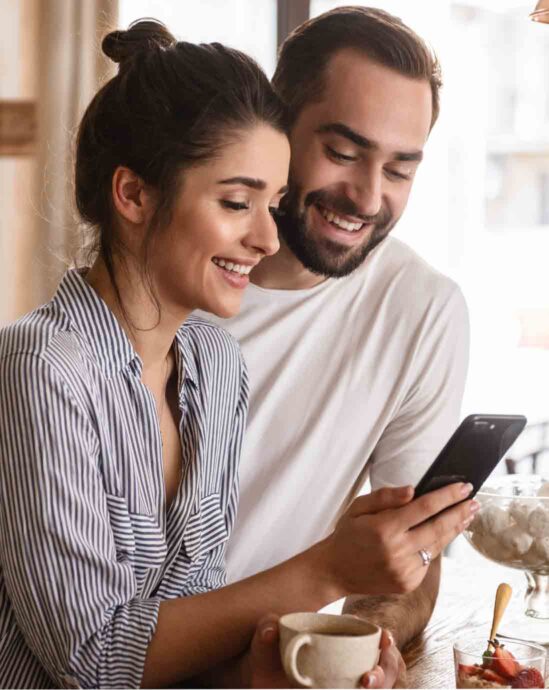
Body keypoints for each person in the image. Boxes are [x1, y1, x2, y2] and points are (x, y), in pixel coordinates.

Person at [0, 17, 474, 690]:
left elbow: (190, 626)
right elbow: (94, 660)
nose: (264, 237)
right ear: (133, 194)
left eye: (270, 203)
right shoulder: (42, 369)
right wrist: (331, 568)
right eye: (235, 202)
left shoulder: (215, 365)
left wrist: (279, 667)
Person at [197, 5, 472, 685]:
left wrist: (360, 648)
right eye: (343, 153)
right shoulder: (176, 280)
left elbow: (407, 565)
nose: (367, 197)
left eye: (399, 170)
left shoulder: (420, 309)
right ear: (275, 123)